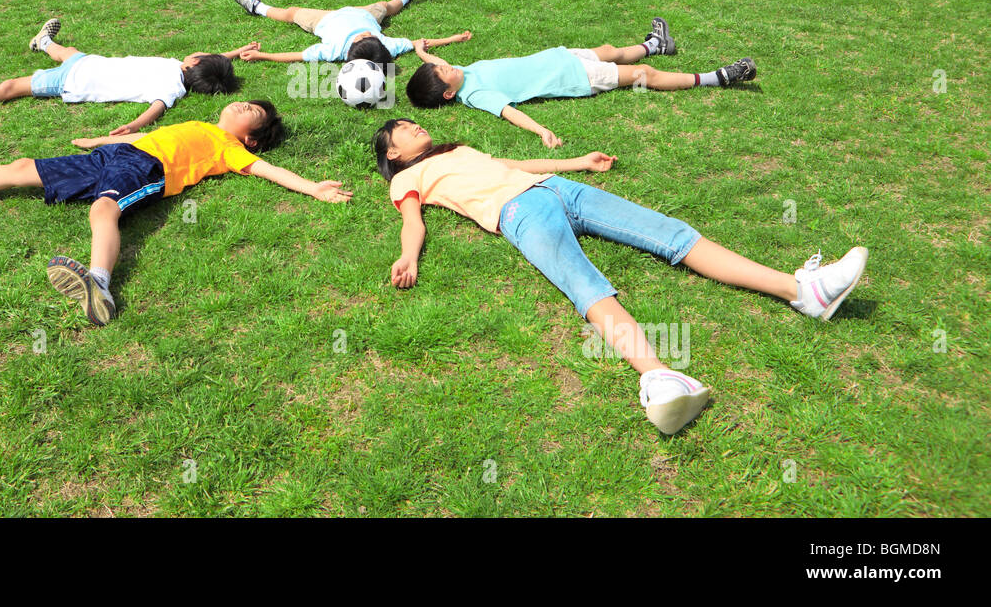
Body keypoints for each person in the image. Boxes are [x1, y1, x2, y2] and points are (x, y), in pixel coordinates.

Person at [372, 117, 868, 435]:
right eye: (405, 130)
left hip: (554, 187)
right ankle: (658, 379)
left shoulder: (457, 152)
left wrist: (578, 163)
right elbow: (412, 221)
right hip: (519, 213)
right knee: (584, 285)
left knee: (670, 233)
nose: (416, 128)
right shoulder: (407, 179)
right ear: (393, 153)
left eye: (415, 123)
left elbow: (514, 162)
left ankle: (804, 290)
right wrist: (410, 258)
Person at [0, 101, 352, 326]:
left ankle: (99, 286)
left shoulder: (230, 148)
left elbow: (269, 170)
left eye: (250, 112)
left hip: (146, 169)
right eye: (245, 101)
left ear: (250, 137)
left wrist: (313, 187)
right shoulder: (200, 124)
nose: (240, 105)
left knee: (104, 207)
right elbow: (143, 137)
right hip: (119, 153)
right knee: (22, 169)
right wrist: (99, 142)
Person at [405, 18, 756, 147]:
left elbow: (438, 60)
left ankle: (655, 44)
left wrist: (423, 54)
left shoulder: (459, 72)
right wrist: (541, 130)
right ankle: (717, 78)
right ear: (449, 93)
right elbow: (509, 112)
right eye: (441, 72)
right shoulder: (475, 92)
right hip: (575, 78)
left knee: (610, 50)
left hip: (561, 56)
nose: (445, 65)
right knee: (642, 76)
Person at [0, 17, 258, 135]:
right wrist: (235, 50)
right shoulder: (179, 71)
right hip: (88, 62)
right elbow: (210, 60)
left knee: (10, 87)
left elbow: (157, 108)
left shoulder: (171, 86)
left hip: (74, 82)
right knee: (65, 52)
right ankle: (43, 41)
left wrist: (134, 126)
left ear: (191, 65)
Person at [230, 0, 471, 67]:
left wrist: (262, 55)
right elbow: (420, 43)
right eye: (370, 35)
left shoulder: (334, 50)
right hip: (363, 13)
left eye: (363, 37)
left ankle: (257, 7)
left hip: (325, 19)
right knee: (386, 7)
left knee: (292, 12)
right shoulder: (386, 47)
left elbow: (296, 56)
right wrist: (453, 38)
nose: (366, 34)